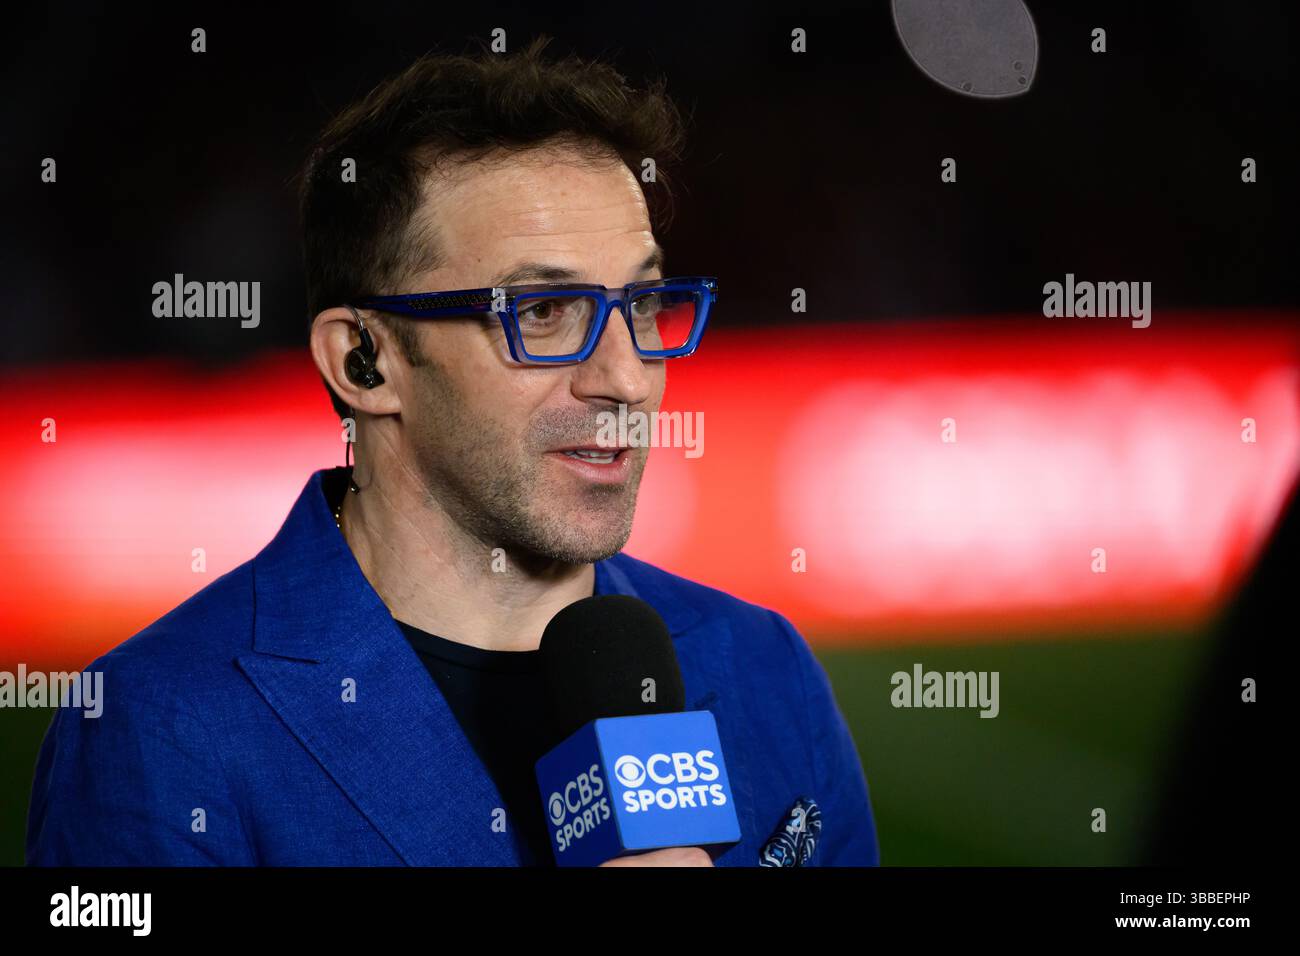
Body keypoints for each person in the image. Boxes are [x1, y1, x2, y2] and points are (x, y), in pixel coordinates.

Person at [26, 36, 879, 867]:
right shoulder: (159, 727)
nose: (626, 377)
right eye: (543, 313)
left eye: (645, 303)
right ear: (367, 361)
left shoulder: (768, 672)